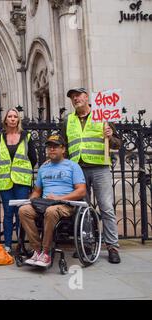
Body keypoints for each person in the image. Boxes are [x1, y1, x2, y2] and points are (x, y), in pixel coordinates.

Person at [62, 87, 122, 264]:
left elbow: (118, 144)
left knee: (106, 207)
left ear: (87, 97)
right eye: (72, 97)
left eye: (78, 95)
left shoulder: (102, 116)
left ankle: (112, 246)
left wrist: (110, 137)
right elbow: (64, 146)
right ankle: (87, 244)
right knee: (82, 209)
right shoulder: (68, 120)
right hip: (78, 169)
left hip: (100, 167)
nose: (75, 99)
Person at [19, 134, 86, 267]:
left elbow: (81, 191)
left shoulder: (73, 166)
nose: (52, 150)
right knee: (23, 210)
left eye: (56, 147)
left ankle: (46, 252)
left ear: (63, 149)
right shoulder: (43, 168)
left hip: (65, 204)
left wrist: (59, 198)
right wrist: (29, 201)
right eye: (49, 147)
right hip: (45, 203)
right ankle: (37, 251)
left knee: (51, 211)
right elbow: (37, 191)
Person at [0, 108, 37, 254]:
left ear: (18, 120)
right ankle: (8, 245)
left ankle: (21, 244)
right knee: (8, 214)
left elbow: (33, 158)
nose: (12, 119)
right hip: (5, 182)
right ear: (5, 120)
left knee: (21, 213)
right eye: (9, 116)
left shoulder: (26, 136)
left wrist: (23, 171)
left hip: (22, 182)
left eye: (15, 116)